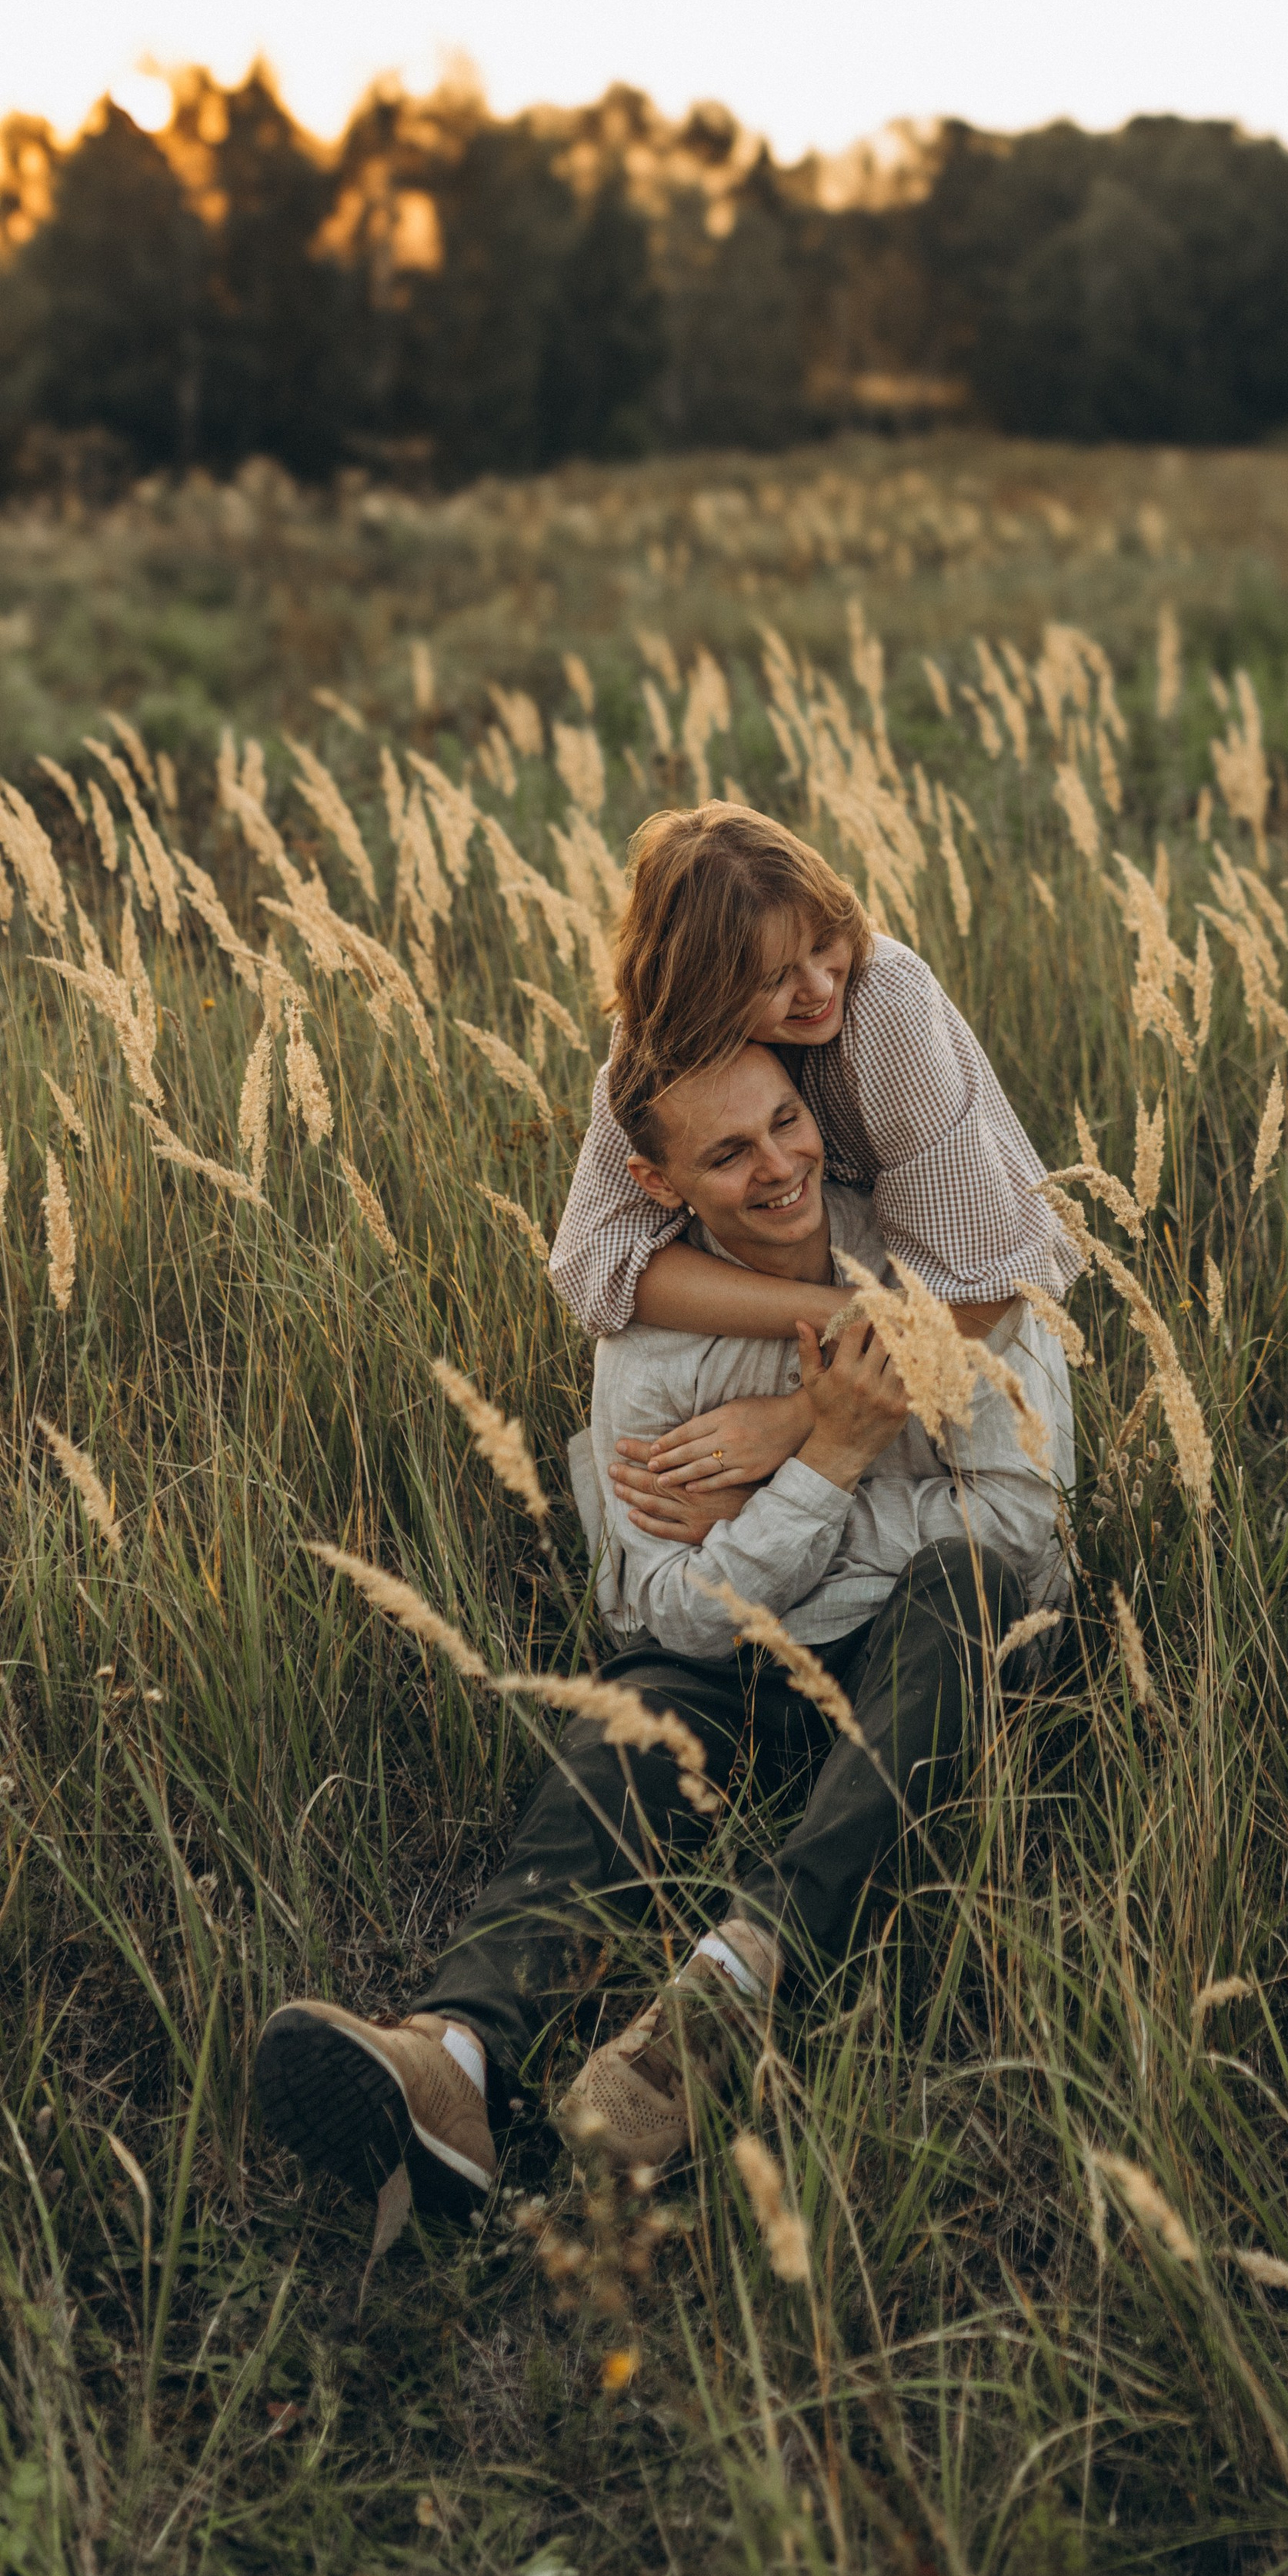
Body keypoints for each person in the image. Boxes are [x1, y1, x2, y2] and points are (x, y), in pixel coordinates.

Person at [253, 1044, 1073, 2221]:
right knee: (632, 1701)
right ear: (657, 1180)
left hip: (927, 1661)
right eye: (728, 1153)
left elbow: (1025, 1525)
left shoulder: (939, 1259)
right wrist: (838, 1458)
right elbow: (665, 1608)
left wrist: (794, 1461)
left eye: (788, 1123)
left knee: (968, 1581)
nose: (778, 1166)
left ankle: (726, 1990)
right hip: (735, 1675)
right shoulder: (647, 1344)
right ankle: (454, 2056)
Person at [549, 801, 1079, 1517]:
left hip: (970, 1329)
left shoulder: (886, 1003)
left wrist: (799, 1418)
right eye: (772, 979)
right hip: (843, 1308)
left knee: (1001, 1533)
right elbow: (595, 1263)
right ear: (702, 997)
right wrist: (847, 1313)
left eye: (827, 939)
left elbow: (978, 1296)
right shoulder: (662, 1040)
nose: (821, 986)